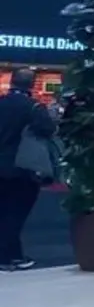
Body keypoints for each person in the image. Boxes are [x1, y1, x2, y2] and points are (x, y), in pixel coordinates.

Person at [0, 68, 57, 272]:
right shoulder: (33, 107)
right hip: (21, 166)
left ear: (12, 82)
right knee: (16, 213)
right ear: (32, 84)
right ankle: (6, 257)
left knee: (3, 211)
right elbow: (48, 129)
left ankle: (14, 255)